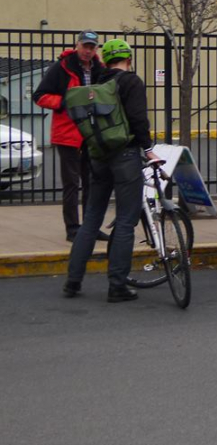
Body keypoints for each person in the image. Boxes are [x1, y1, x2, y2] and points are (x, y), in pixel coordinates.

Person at [62, 39, 161, 303]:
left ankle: (73, 282)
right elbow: (139, 119)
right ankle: (117, 285)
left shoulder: (97, 84)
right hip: (125, 156)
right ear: (129, 58)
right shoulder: (131, 82)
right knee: (126, 220)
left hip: (98, 157)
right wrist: (148, 147)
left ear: (104, 60)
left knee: (92, 218)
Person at [33, 30, 110, 242]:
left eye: (91, 47)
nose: (87, 50)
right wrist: (65, 102)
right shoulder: (62, 68)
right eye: (84, 46)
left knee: (91, 183)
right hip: (68, 135)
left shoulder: (99, 69)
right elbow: (39, 96)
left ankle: (91, 227)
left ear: (96, 49)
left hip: (92, 134)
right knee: (71, 184)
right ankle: (73, 229)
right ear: (77, 45)